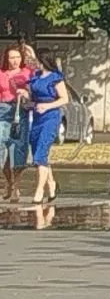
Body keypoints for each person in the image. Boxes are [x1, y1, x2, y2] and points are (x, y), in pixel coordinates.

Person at [22, 51, 69, 209]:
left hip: (50, 117)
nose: (36, 63)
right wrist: (25, 94)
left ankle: (39, 191)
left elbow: (64, 99)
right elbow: (32, 96)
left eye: (38, 61)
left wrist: (48, 106)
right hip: (36, 116)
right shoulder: (35, 76)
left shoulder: (55, 77)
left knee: (40, 153)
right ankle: (52, 184)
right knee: (37, 152)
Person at [0, 45, 30, 203]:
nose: (15, 61)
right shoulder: (1, 74)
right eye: (11, 57)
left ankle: (16, 186)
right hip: (3, 111)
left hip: (20, 112)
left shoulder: (27, 73)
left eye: (17, 57)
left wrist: (26, 93)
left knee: (18, 148)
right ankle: (8, 181)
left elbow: (34, 91)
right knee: (2, 146)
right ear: (6, 59)